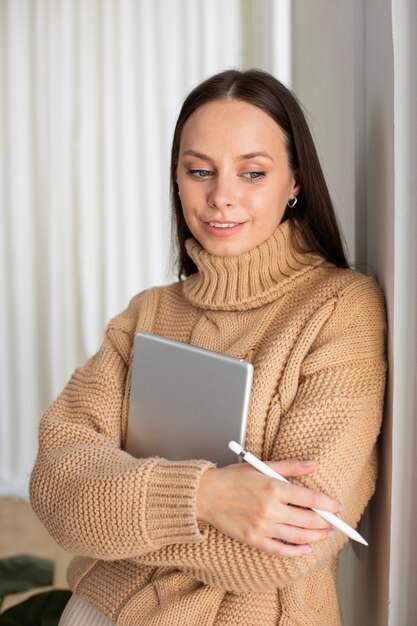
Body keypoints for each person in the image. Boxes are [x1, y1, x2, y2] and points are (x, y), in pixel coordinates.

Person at [30, 69, 386, 626]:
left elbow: (293, 542)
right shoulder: (146, 315)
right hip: (99, 613)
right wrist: (205, 498)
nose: (222, 196)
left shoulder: (341, 310)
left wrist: (116, 515)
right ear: (177, 178)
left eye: (252, 172)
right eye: (200, 170)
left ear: (295, 180)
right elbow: (55, 487)